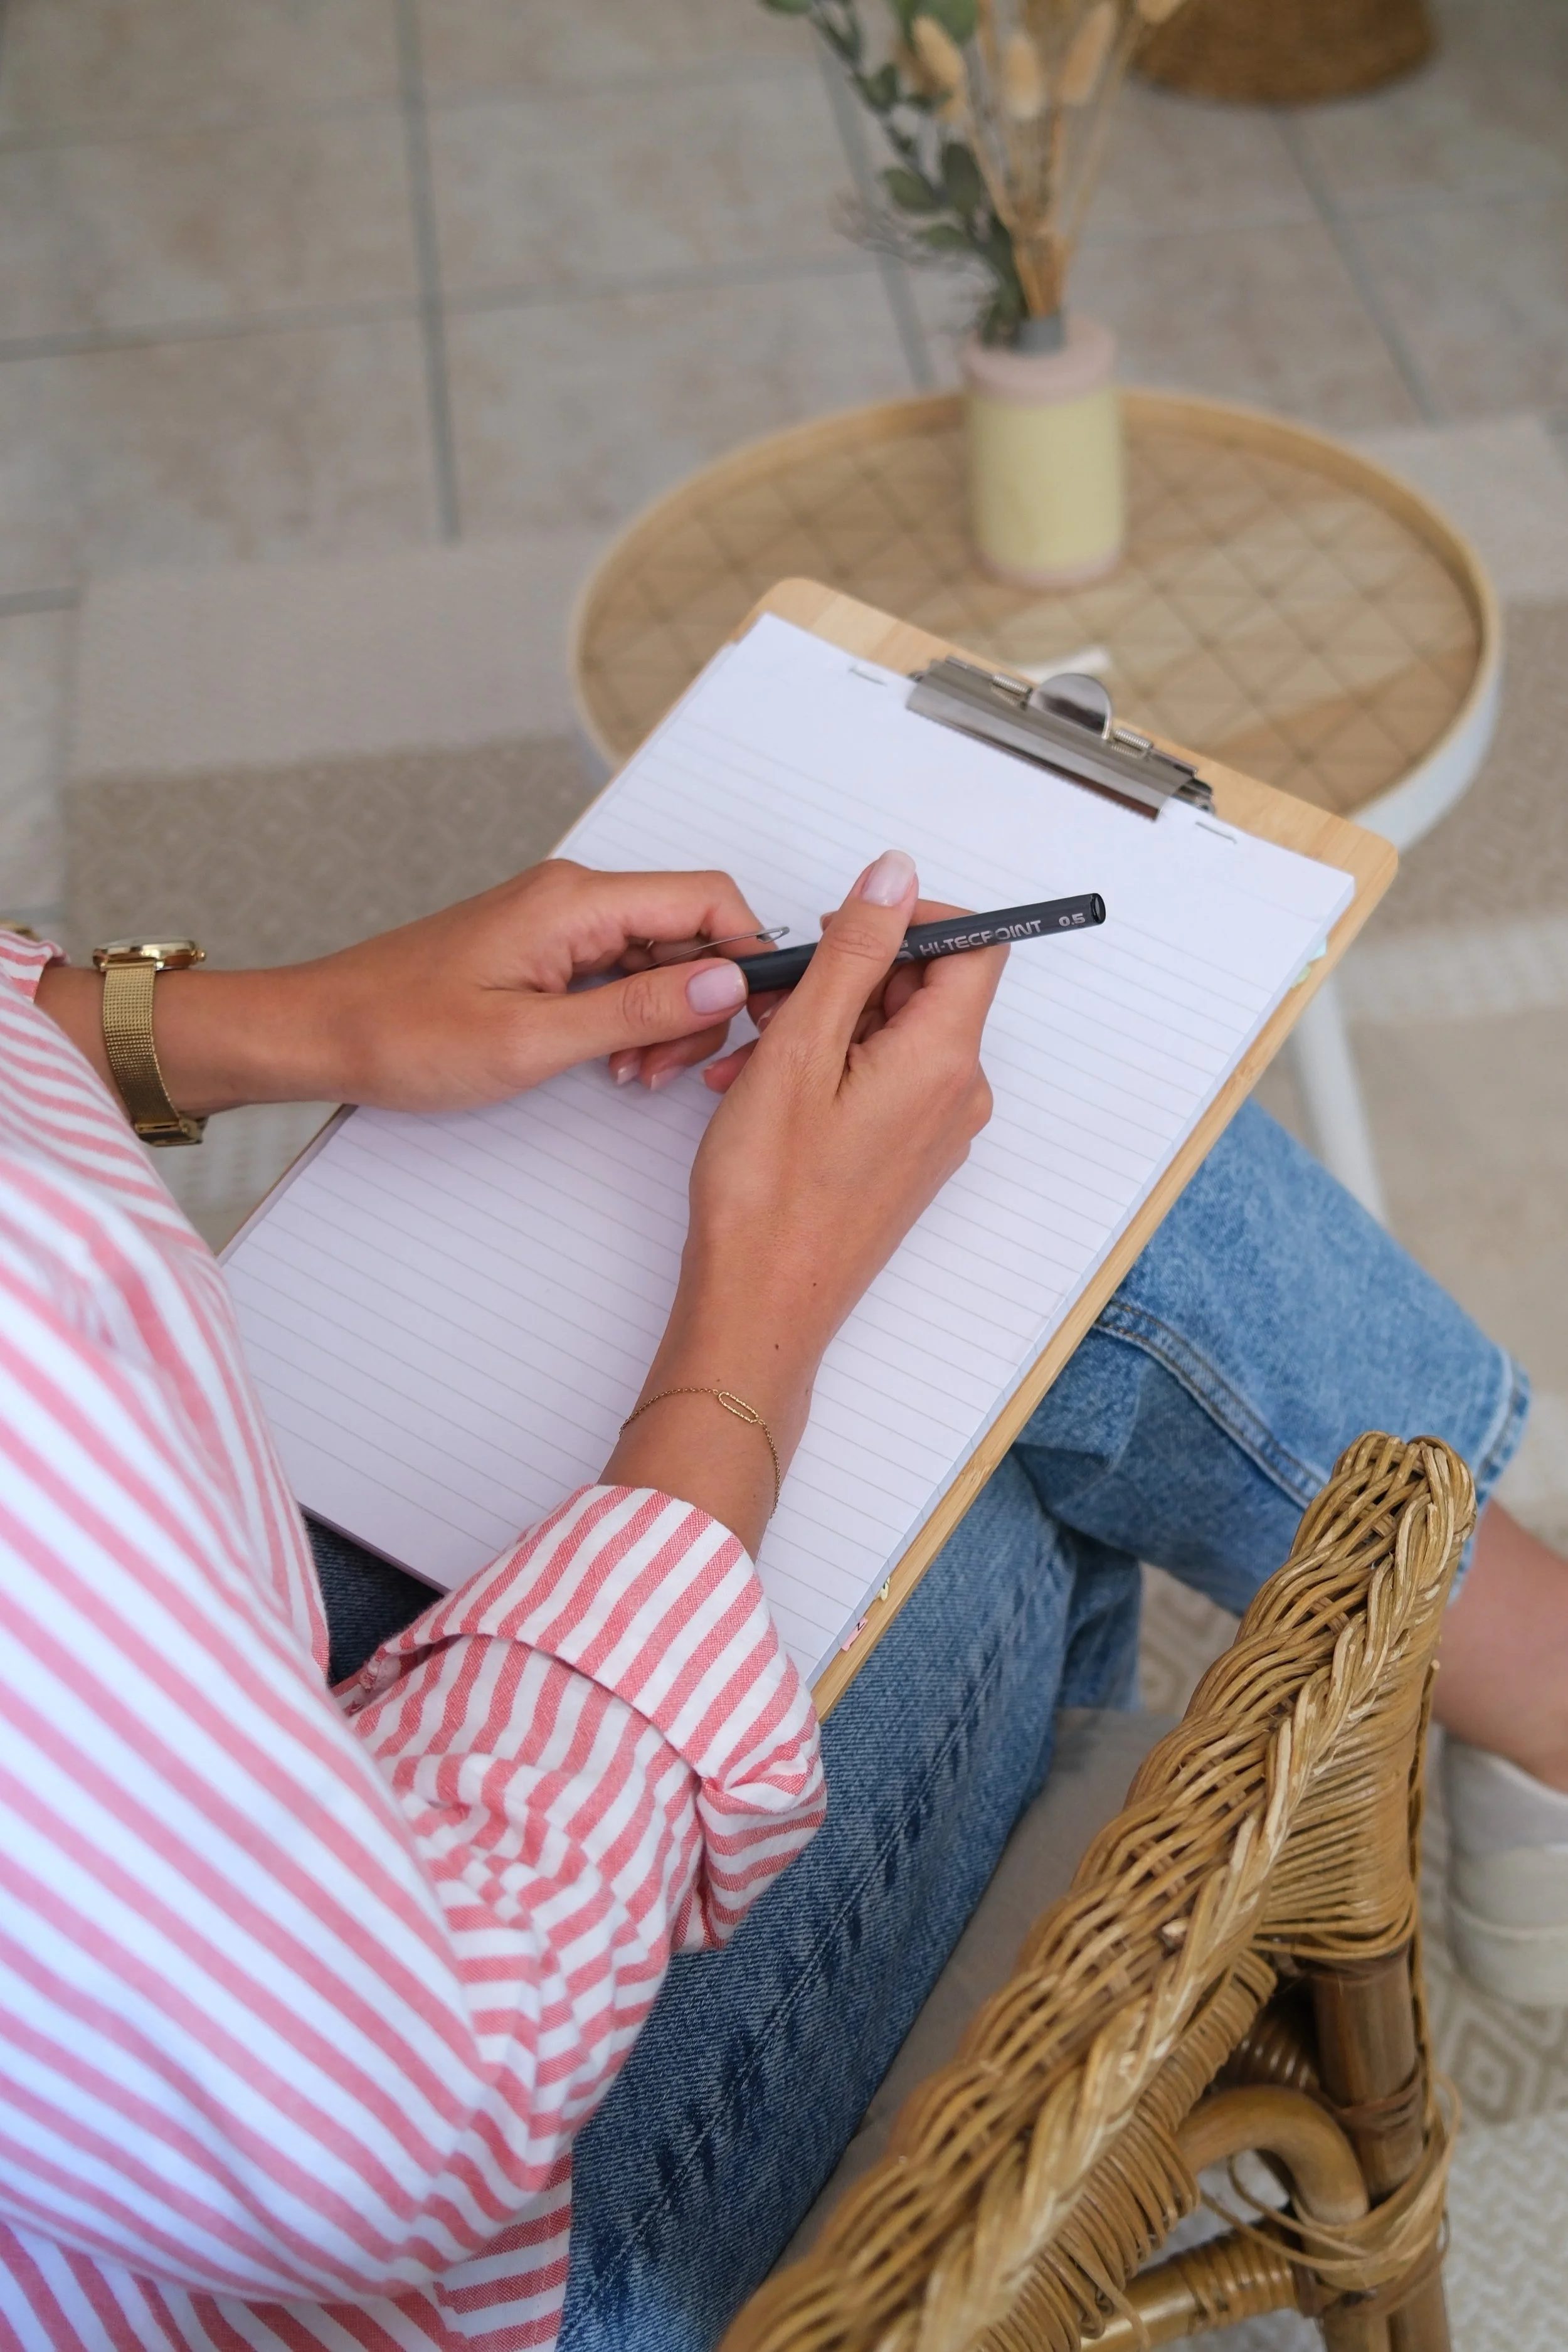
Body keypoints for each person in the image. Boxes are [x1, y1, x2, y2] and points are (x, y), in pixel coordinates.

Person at [1, 850, 1564, 2352]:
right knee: (1023, 1261)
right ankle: (1533, 1699)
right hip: (422, 2262)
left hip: (190, 1938)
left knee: (949, 1265)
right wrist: (753, 1331)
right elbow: (384, 2126)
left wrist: (272, 1021)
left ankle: (1502, 1683)